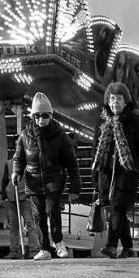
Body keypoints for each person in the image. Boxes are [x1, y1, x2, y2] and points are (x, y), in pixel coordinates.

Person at [91, 82, 139, 258]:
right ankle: (128, 247)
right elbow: (95, 151)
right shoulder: (102, 122)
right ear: (108, 100)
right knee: (117, 212)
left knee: (117, 207)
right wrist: (95, 177)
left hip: (127, 174)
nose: (115, 102)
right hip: (106, 174)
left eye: (119, 99)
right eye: (112, 98)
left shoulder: (136, 122)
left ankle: (112, 246)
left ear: (126, 101)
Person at [12, 92, 81, 259]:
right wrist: (16, 171)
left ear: (50, 116)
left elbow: (71, 163)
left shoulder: (60, 136)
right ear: (33, 116)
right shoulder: (25, 135)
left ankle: (59, 243)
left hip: (53, 181)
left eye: (45, 116)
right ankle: (44, 249)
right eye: (37, 116)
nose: (41, 120)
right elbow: (19, 157)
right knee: (38, 216)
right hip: (33, 181)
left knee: (52, 211)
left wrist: (75, 187)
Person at [1, 155, 39, 259]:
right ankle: (14, 251)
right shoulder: (9, 163)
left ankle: (34, 250)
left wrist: (32, 194)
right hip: (12, 197)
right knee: (13, 225)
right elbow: (5, 180)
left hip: (25, 197)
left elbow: (34, 179)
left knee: (30, 224)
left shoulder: (29, 163)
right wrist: (4, 195)